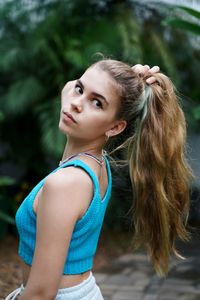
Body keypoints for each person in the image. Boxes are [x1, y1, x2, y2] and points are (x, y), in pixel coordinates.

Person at [5, 59, 194, 300]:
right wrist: (128, 82)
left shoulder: (66, 183)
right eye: (80, 89)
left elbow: (41, 293)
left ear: (115, 127)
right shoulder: (97, 163)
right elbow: (70, 86)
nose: (75, 104)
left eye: (97, 103)